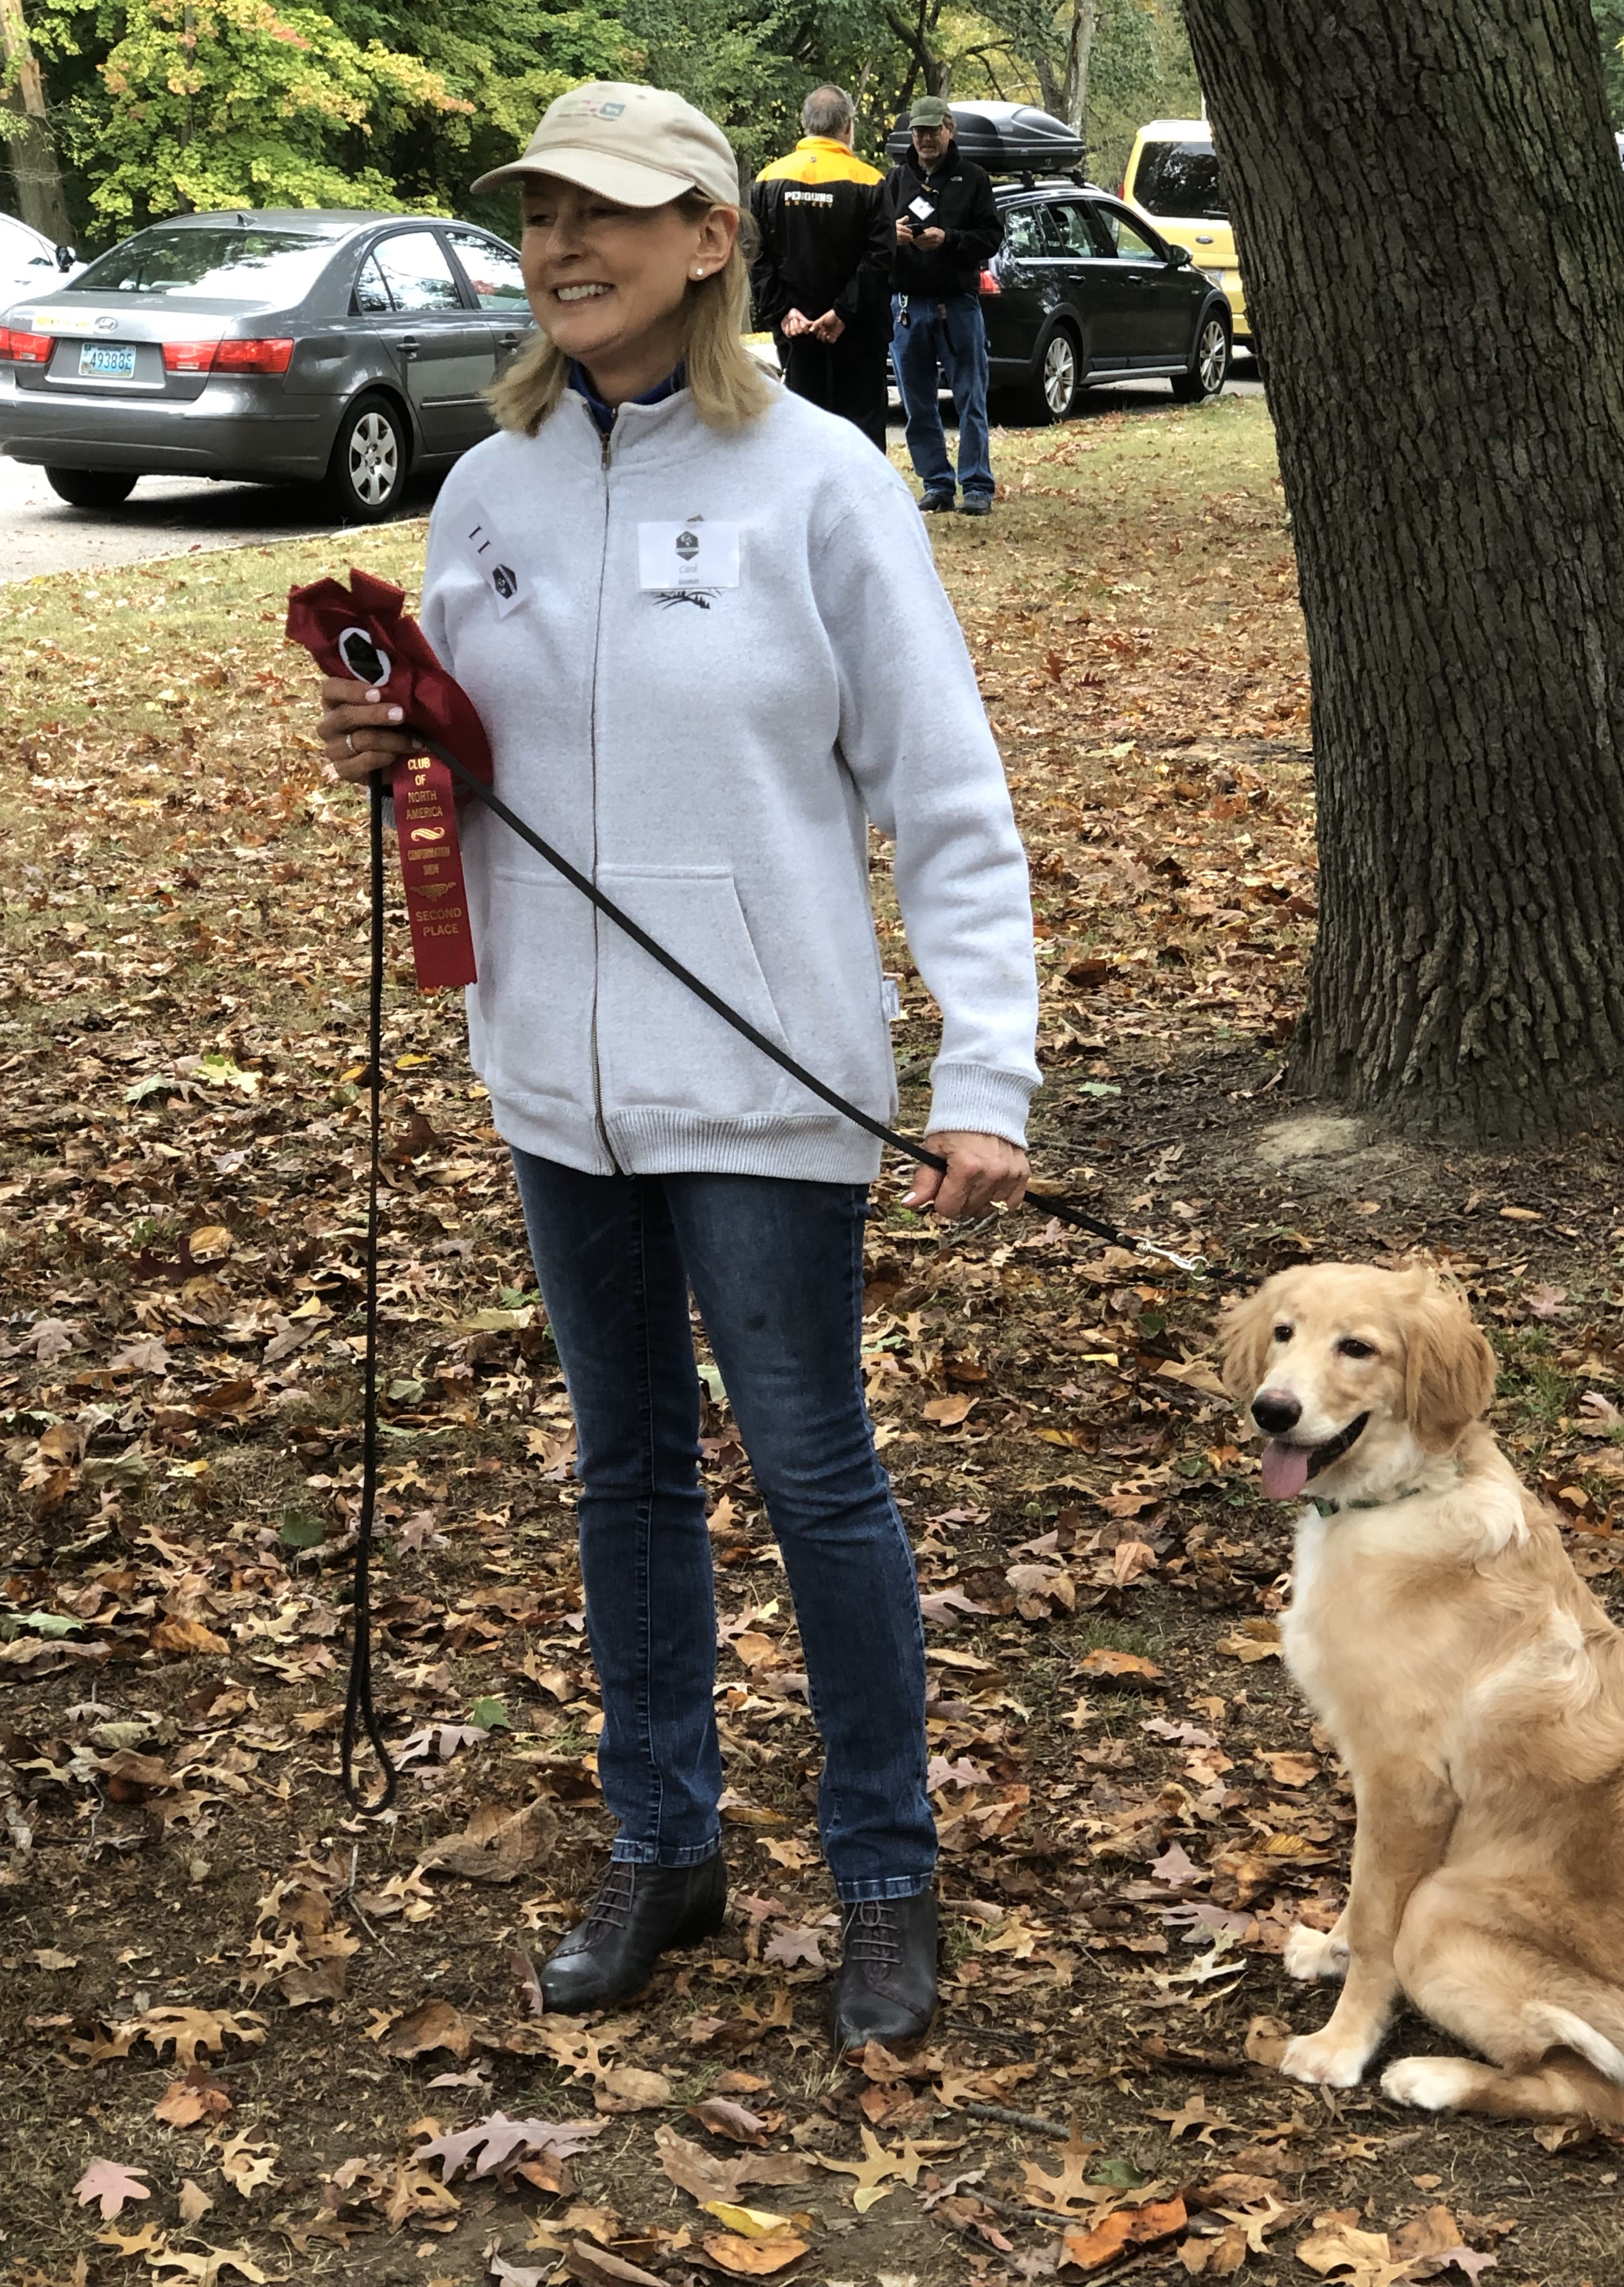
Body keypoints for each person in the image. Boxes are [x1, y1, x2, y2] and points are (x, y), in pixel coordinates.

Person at [310, 82, 1039, 2053]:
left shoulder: (822, 483)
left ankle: (886, 1876)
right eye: (544, 212)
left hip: (769, 1078)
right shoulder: (489, 489)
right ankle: (666, 1843)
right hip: (558, 1077)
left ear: (712, 238)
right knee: (623, 1466)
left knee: (814, 1476)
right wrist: (396, 751)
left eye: (613, 214)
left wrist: (987, 1069)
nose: (566, 245)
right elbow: (482, 756)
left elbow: (945, 794)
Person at [750, 83, 893, 451]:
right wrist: (843, 312)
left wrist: (783, 312)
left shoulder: (767, 180)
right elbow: (879, 259)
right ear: (848, 128)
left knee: (802, 431)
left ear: (806, 126)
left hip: (797, 332)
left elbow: (754, 254)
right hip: (857, 334)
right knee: (860, 435)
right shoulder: (870, 181)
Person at [884, 95, 1003, 516]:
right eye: (919, 131)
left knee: (971, 397)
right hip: (907, 307)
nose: (925, 139)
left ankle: (976, 485)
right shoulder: (896, 181)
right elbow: (871, 243)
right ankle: (936, 483)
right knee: (917, 403)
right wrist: (891, 236)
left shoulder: (972, 179)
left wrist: (948, 239)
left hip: (957, 307)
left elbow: (991, 238)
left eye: (933, 131)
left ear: (949, 130)